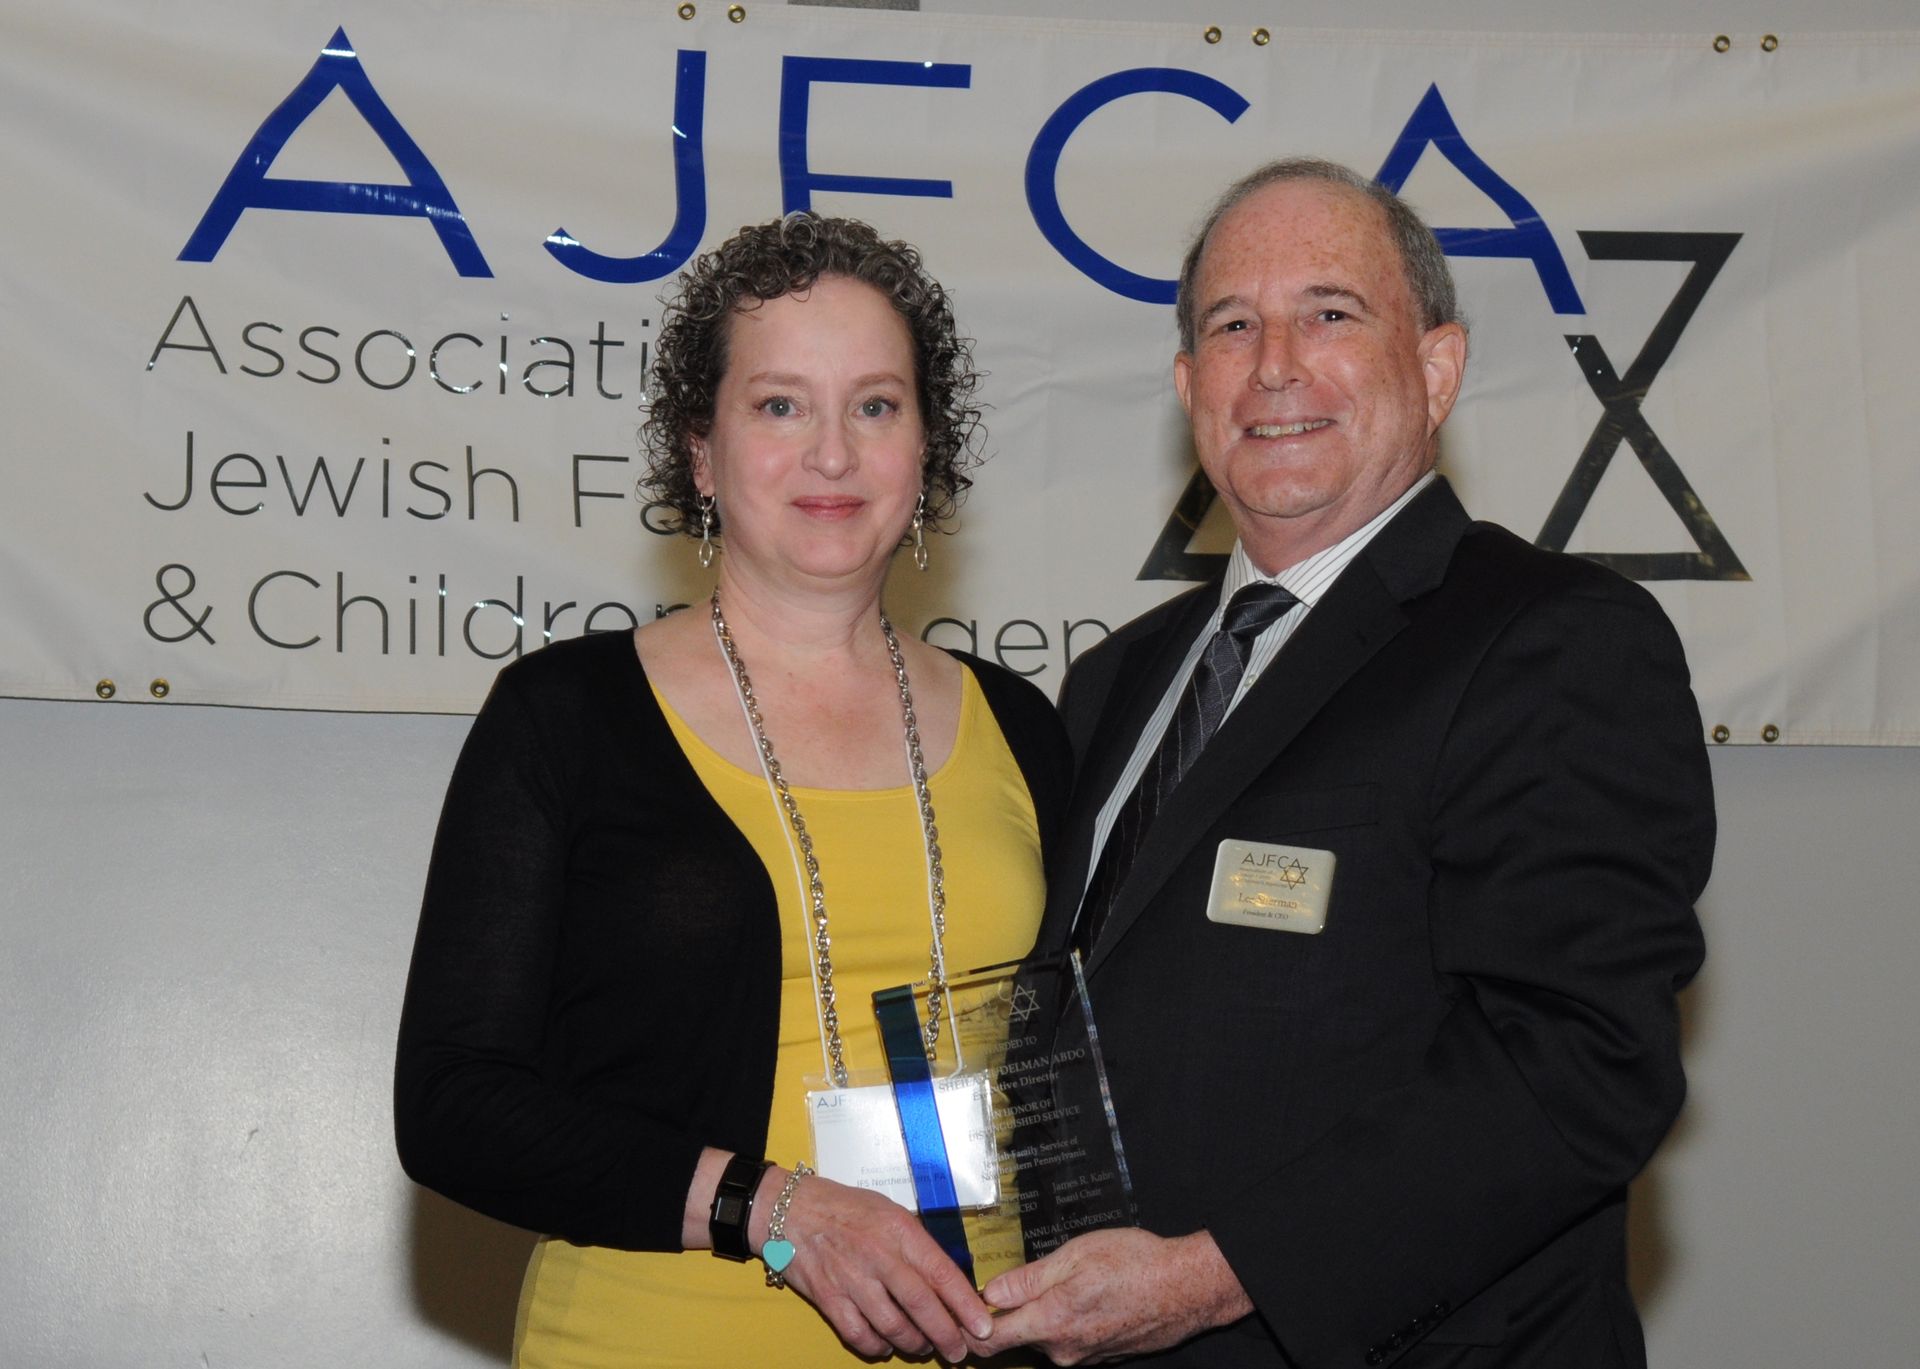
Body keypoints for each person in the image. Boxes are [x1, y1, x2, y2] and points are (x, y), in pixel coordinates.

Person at [971, 159, 1715, 1368]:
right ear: (1186, 385)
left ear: (1436, 367)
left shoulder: (1550, 640)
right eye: (1231, 326)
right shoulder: (1115, 684)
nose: (1274, 365)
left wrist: (1218, 1276)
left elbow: (1582, 1066)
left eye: (1329, 313)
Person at [394, 213, 1070, 1367]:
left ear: (927, 447)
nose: (832, 454)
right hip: (657, 1335)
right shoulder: (565, 717)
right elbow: (454, 1102)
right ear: (701, 454)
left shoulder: (1027, 727)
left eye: (876, 404)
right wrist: (769, 1207)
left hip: (983, 1340)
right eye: (778, 405)